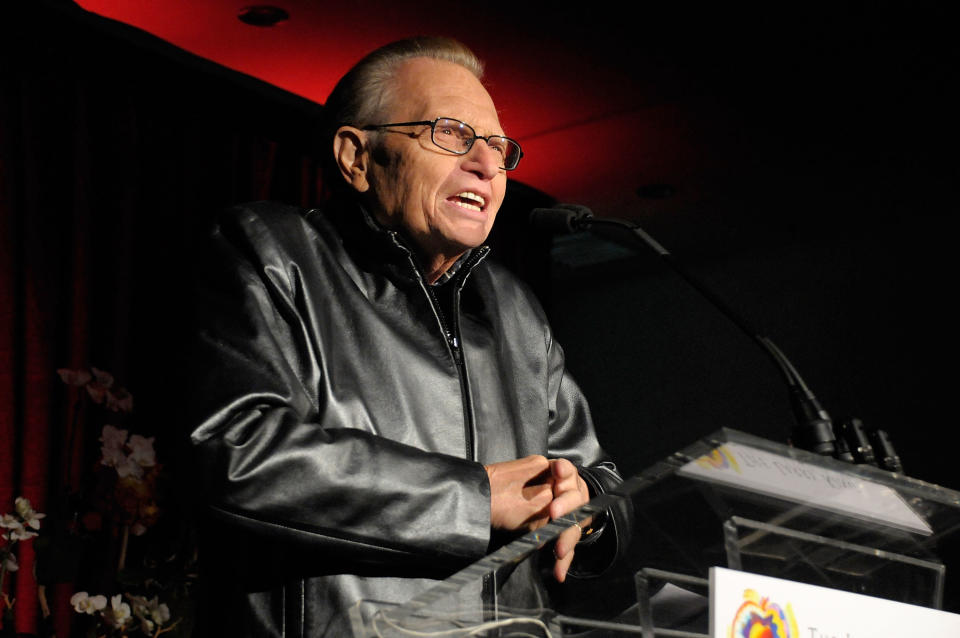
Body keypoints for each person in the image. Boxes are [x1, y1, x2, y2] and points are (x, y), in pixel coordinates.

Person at [187, 36, 627, 637]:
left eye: (498, 148)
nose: (486, 164)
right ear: (356, 158)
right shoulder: (271, 252)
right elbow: (238, 451)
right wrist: (473, 500)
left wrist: (584, 509)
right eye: (451, 134)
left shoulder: (515, 310)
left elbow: (597, 476)